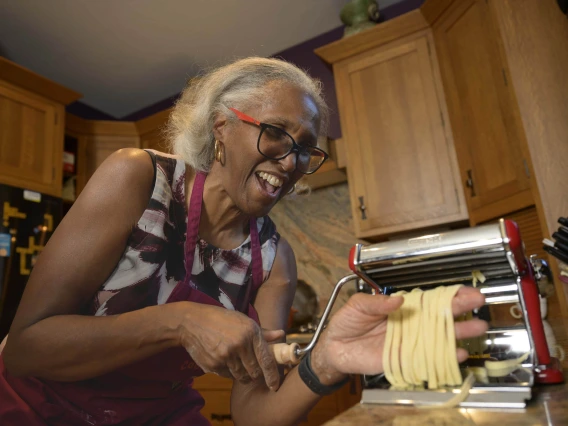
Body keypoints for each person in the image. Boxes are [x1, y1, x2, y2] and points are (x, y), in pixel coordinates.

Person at [0, 57, 487, 425]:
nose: (291, 161)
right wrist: (178, 321)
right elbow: (26, 348)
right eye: (277, 133)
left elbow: (253, 410)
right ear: (222, 127)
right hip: (39, 406)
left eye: (305, 150)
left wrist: (326, 362)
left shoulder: (274, 262)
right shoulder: (139, 178)